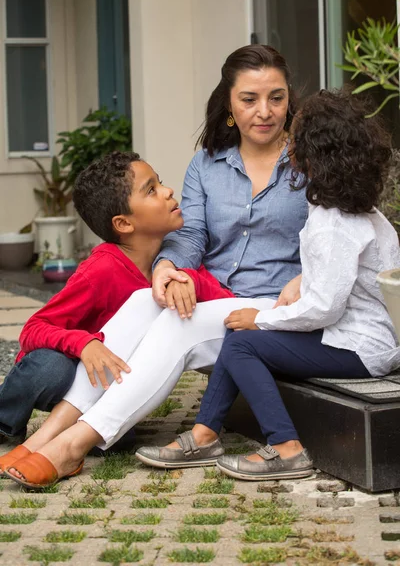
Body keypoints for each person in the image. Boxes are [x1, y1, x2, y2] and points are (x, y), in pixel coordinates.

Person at [2, 44, 309, 488]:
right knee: (145, 298)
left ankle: (74, 445)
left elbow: (333, 233)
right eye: (249, 99)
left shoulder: (310, 161)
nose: (264, 111)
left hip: (275, 307)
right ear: (229, 103)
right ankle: (46, 437)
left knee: (176, 323)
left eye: (276, 98)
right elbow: (191, 235)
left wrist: (308, 275)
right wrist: (168, 268)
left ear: (288, 99)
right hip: (213, 295)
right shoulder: (207, 165)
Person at [135, 88, 400, 480]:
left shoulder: (332, 224)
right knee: (239, 336)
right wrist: (298, 282)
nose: (286, 145)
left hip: (361, 349)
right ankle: (205, 434)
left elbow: (324, 309)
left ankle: (286, 448)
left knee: (242, 342)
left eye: (294, 139)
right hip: (363, 339)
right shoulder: (363, 213)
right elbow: (344, 279)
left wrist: (261, 318)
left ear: (311, 156)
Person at [0, 152, 234, 487]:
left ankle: (63, 442)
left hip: (110, 378)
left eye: (160, 183)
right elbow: (34, 328)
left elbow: (221, 305)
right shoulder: (102, 269)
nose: (169, 191)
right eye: (151, 190)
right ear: (124, 224)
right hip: (68, 368)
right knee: (48, 369)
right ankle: (7, 422)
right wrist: (84, 344)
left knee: (118, 441)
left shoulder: (177, 262)